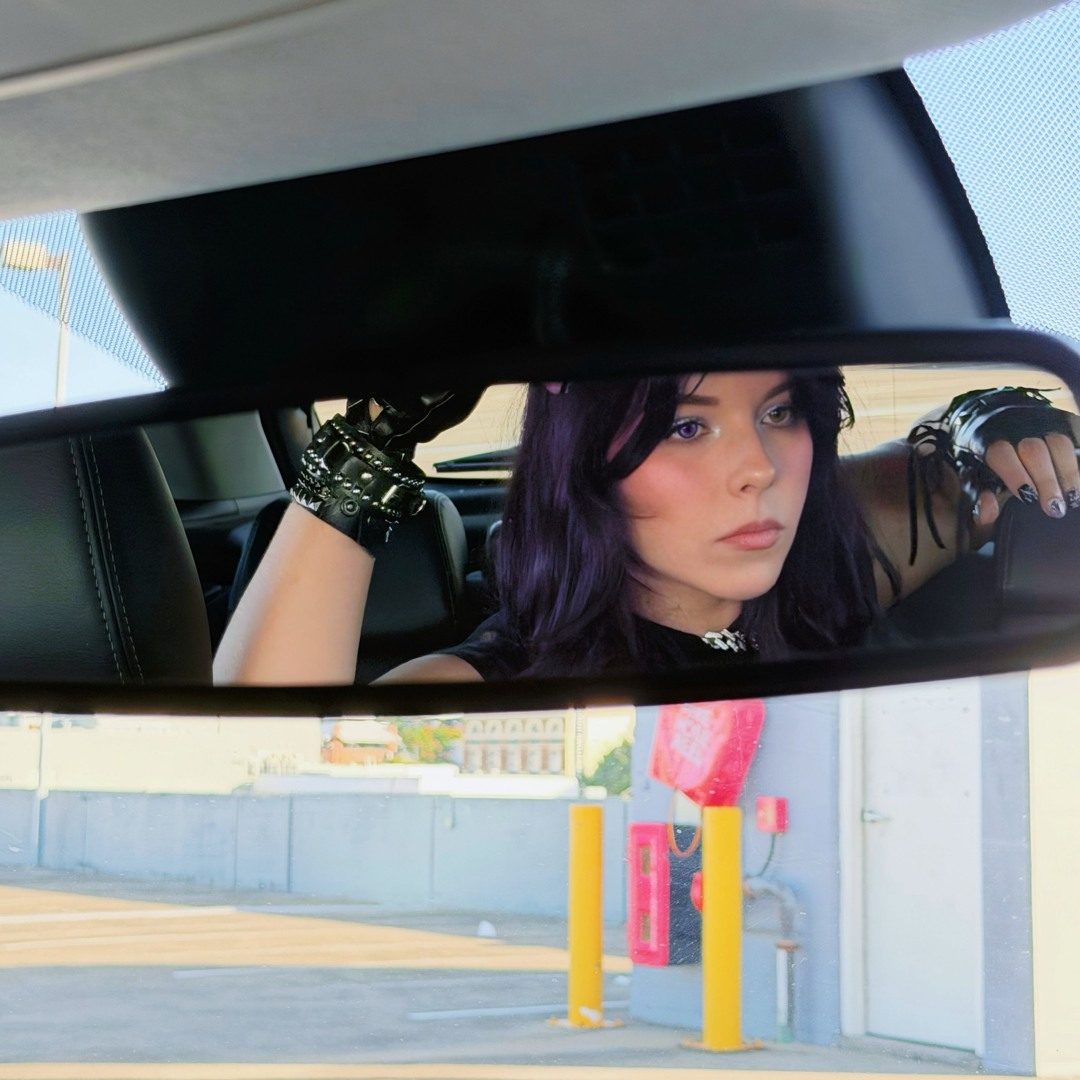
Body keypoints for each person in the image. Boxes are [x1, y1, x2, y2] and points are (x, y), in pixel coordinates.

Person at [212, 370, 1080, 685]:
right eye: (687, 426)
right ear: (585, 461)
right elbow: (274, 722)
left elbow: (970, 464)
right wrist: (373, 437)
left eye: (781, 411)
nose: (759, 467)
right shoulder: (500, 676)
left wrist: (996, 418)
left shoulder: (840, 562)